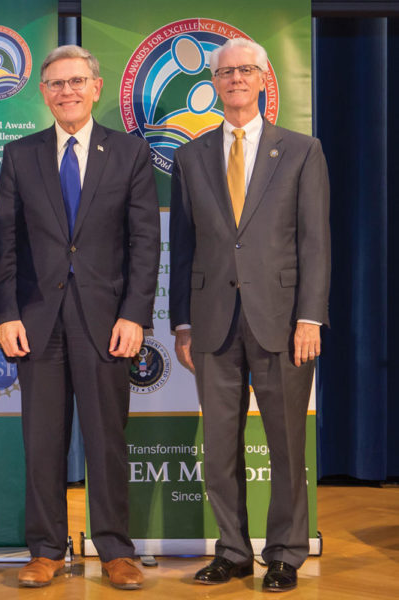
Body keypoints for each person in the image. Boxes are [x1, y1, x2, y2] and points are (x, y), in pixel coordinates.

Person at [0, 45, 160, 590]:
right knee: (42, 441)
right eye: (56, 83)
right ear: (42, 92)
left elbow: (144, 242)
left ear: (96, 87)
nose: (67, 91)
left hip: (107, 322)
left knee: (107, 439)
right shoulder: (20, 155)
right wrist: (6, 314)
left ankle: (114, 550)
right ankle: (45, 549)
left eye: (77, 81)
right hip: (37, 322)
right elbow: (6, 243)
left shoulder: (130, 154)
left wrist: (136, 314)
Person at [170, 38, 330, 592]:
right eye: (225, 71)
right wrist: (181, 323)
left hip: (283, 322)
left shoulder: (303, 150)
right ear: (213, 83)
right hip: (212, 322)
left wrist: (310, 316)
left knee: (286, 445)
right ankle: (233, 551)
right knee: (219, 447)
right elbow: (183, 246)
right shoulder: (191, 157)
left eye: (245, 70)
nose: (235, 78)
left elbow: (315, 243)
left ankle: (284, 553)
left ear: (263, 79)